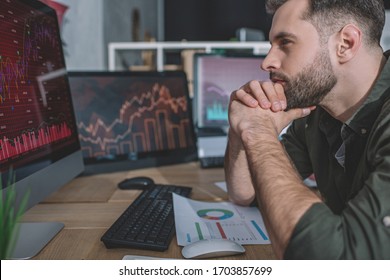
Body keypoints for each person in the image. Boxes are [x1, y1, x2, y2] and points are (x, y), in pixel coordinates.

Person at [225, 0, 390, 259]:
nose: (267, 62)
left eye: (285, 43)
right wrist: (241, 130)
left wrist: (258, 133)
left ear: (345, 44)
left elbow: (332, 260)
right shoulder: (316, 112)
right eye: (271, 45)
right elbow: (247, 193)